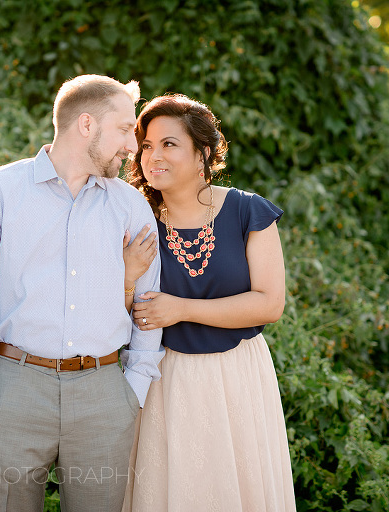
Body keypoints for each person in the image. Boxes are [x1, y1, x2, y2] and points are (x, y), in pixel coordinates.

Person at [0, 74, 164, 512]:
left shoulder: (130, 206)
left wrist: (133, 388)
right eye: (124, 130)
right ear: (86, 125)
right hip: (12, 392)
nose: (132, 147)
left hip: (105, 397)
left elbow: (148, 305)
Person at [122, 94, 296, 511]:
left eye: (168, 144)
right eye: (146, 145)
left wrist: (182, 309)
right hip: (163, 379)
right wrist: (127, 278)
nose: (152, 156)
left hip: (236, 375)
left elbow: (269, 304)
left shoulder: (247, 211)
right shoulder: (133, 217)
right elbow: (115, 311)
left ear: (202, 153)